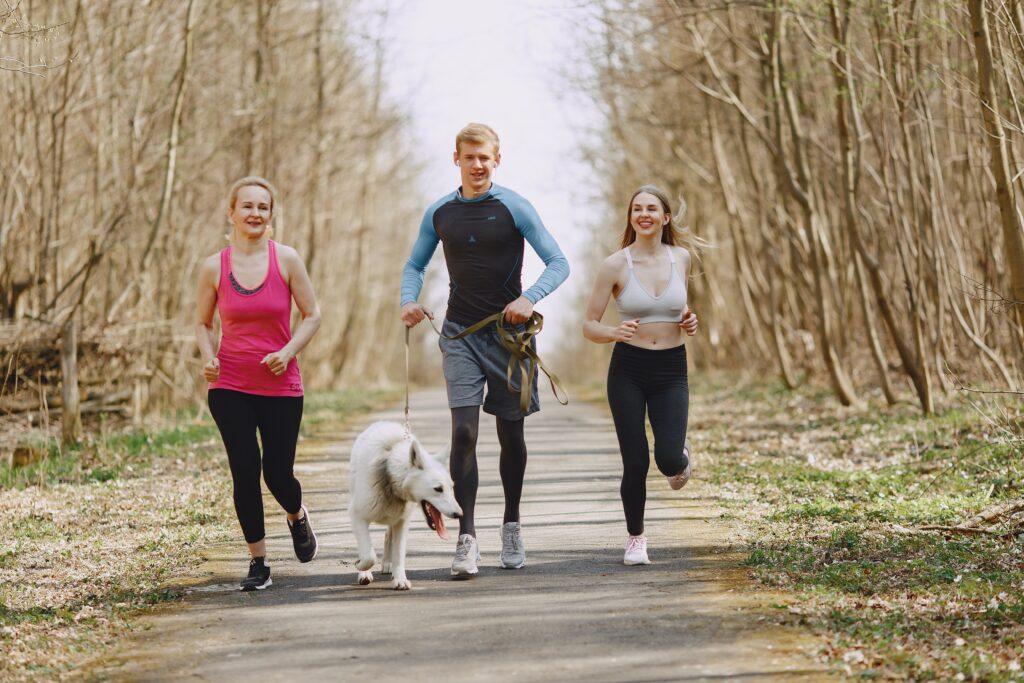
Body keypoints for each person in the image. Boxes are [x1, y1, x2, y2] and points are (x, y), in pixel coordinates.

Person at [400, 123, 569, 578]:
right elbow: (415, 264)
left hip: (509, 339)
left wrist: (529, 297)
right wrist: (408, 300)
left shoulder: (513, 207)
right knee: (464, 435)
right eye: (469, 157)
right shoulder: (440, 213)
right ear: (456, 159)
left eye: (485, 158)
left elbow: (559, 262)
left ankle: (511, 523)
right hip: (459, 336)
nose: (477, 165)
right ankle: (467, 538)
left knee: (511, 435)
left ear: (498, 160)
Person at [195, 176, 322, 591]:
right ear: (231, 213)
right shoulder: (214, 266)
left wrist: (288, 352)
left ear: (270, 215)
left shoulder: (285, 259)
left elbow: (312, 315)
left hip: (280, 384)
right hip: (230, 384)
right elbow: (201, 323)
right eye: (246, 206)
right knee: (245, 472)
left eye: (262, 207)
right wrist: (208, 356)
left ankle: (297, 515)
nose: (254, 213)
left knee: (278, 474)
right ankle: (258, 562)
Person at [581, 185, 699, 566]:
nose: (644, 214)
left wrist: (690, 320)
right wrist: (614, 332)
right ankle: (636, 538)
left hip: (671, 369)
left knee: (667, 461)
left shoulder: (682, 258)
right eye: (637, 209)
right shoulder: (615, 264)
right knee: (635, 462)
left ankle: (680, 456)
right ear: (631, 217)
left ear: (665, 217)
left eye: (652, 209)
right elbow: (589, 324)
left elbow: (680, 307)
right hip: (628, 370)